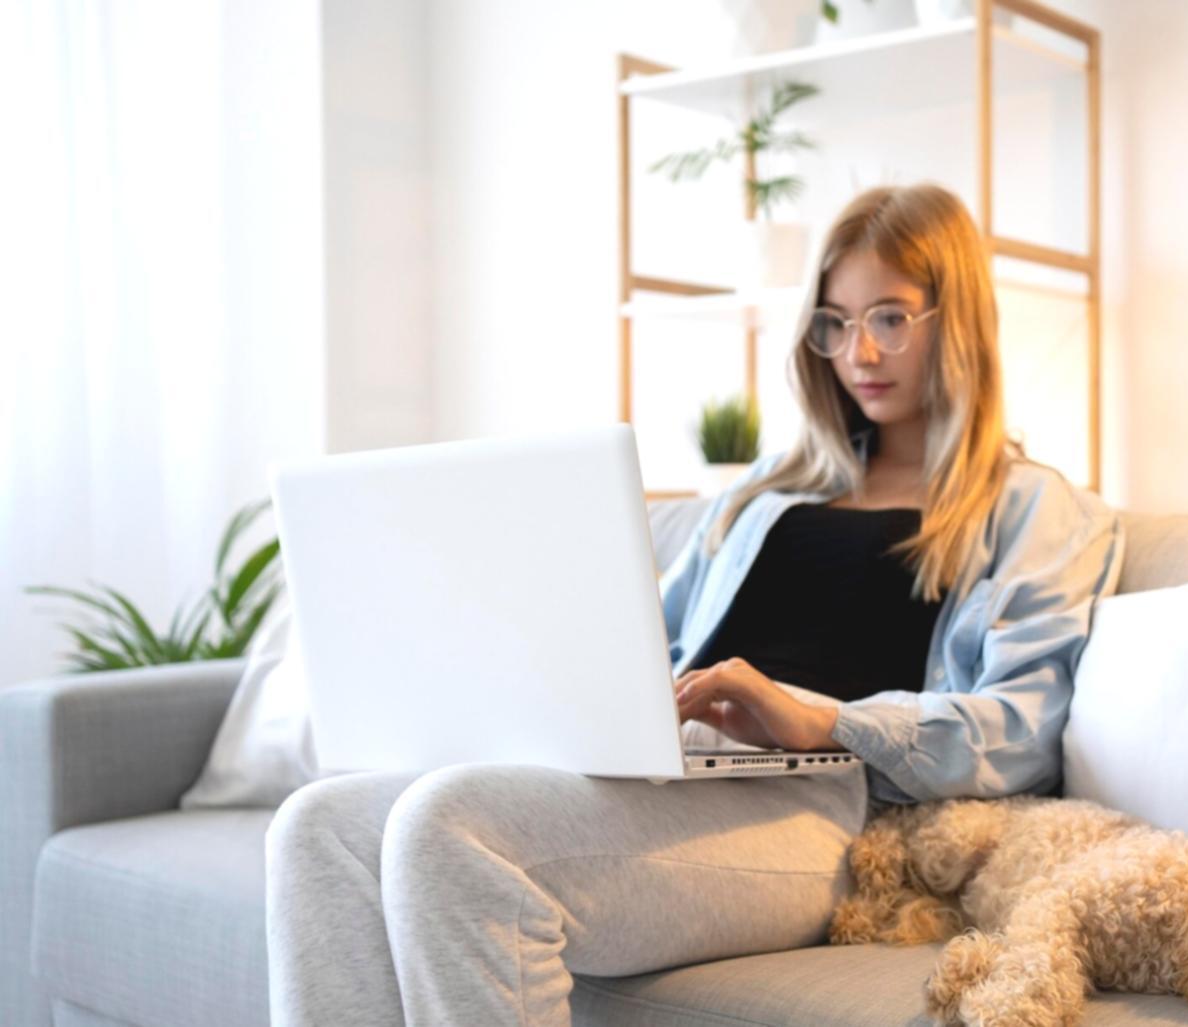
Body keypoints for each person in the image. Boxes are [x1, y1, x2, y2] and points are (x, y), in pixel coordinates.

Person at [265, 182, 1122, 1026]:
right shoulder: (764, 492)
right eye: (836, 322)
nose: (859, 352)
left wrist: (822, 721)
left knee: (448, 827)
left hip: (827, 806)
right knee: (317, 828)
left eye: (890, 317)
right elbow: (642, 638)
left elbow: (1023, 729)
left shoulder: (1030, 506)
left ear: (958, 322)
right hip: (676, 764)